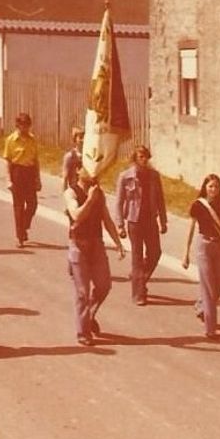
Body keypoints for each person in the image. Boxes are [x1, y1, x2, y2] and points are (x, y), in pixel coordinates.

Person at [64, 169, 125, 346]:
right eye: (88, 168)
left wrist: (118, 244)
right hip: (78, 245)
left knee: (104, 285)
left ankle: (89, 315)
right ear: (78, 170)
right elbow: (76, 216)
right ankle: (83, 332)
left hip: (96, 244)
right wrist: (90, 200)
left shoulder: (98, 193)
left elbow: (106, 219)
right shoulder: (70, 192)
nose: (92, 172)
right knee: (82, 292)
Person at [181, 173, 220, 339]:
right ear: (205, 188)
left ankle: (201, 307)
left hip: (219, 246)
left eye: (216, 186)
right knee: (208, 287)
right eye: (210, 186)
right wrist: (185, 253)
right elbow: (191, 229)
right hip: (204, 247)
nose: (213, 189)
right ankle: (210, 328)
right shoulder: (198, 205)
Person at [115, 145, 166, 305]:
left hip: (150, 219)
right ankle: (138, 294)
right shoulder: (125, 177)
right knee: (137, 258)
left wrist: (163, 221)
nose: (144, 160)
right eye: (140, 157)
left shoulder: (154, 176)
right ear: (135, 159)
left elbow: (160, 200)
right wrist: (120, 225)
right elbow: (119, 201)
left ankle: (139, 279)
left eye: (146, 157)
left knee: (155, 253)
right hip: (134, 221)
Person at [2, 112, 41, 248]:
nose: (25, 129)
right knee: (18, 206)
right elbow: (7, 160)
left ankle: (24, 226)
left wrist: (38, 179)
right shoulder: (11, 140)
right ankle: (20, 237)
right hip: (17, 172)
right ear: (17, 125)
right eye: (22, 126)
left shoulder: (32, 140)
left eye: (27, 126)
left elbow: (36, 161)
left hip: (29, 173)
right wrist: (8, 179)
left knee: (33, 204)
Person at [61, 127, 83, 191]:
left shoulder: (89, 156)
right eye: (80, 138)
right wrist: (65, 193)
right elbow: (65, 177)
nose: (83, 140)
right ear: (75, 139)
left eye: (85, 137)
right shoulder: (70, 156)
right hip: (75, 189)